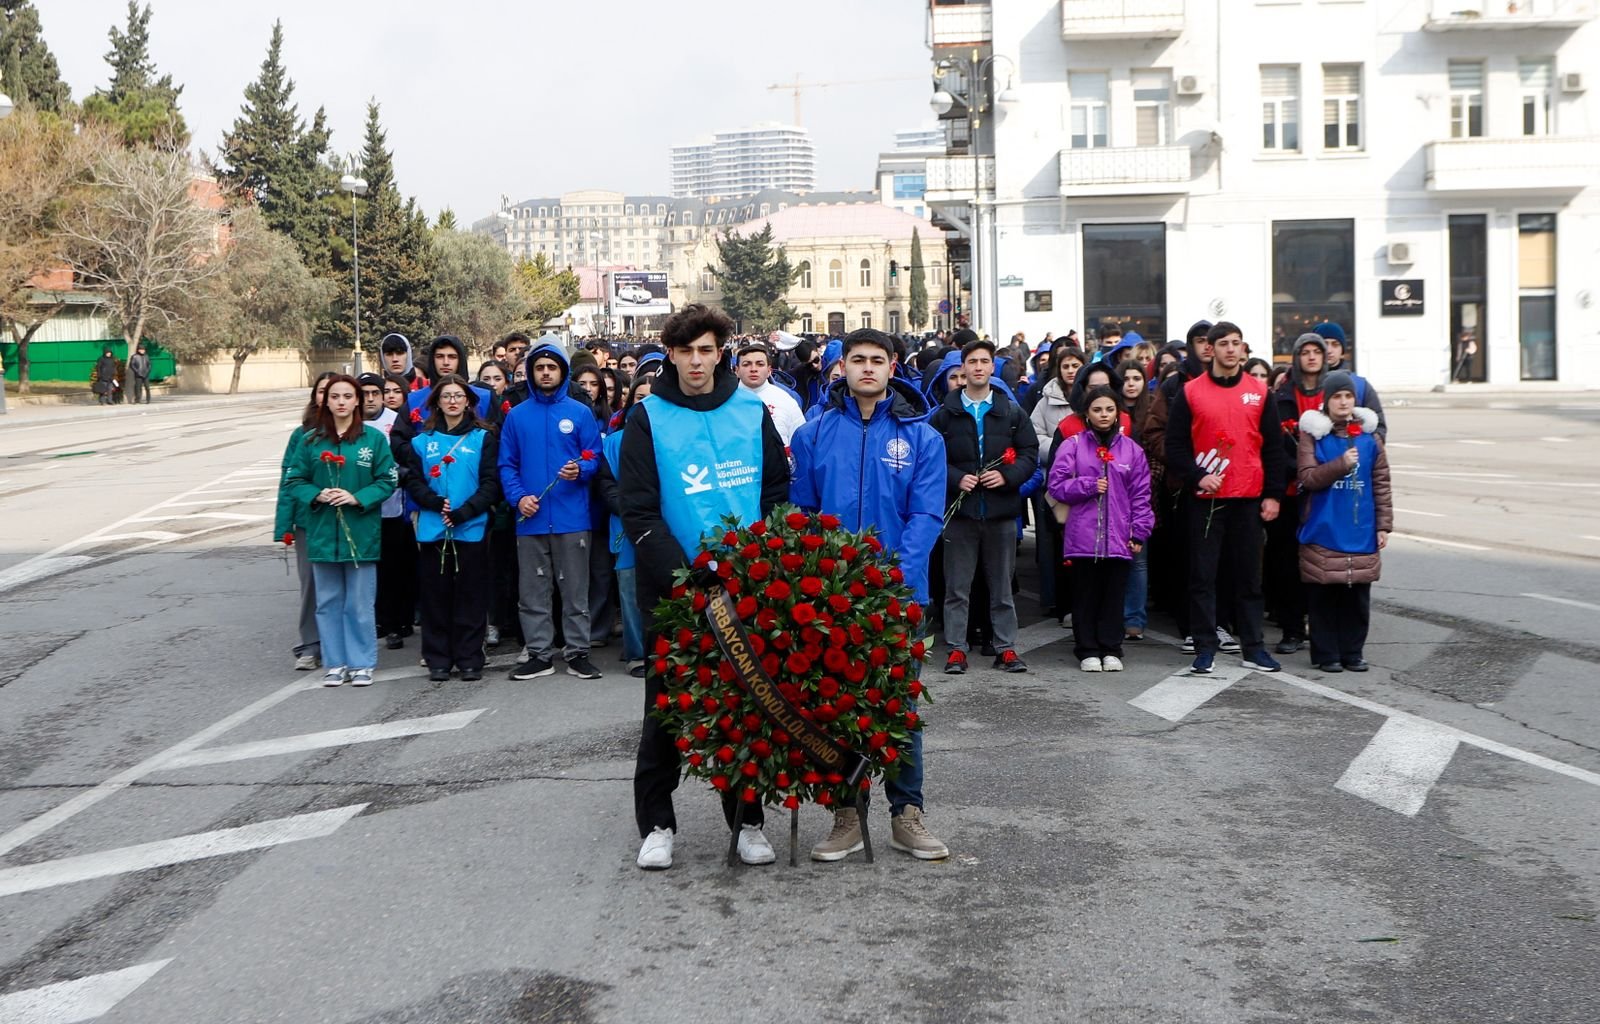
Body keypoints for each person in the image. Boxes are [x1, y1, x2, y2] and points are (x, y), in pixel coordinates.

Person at [621, 303, 789, 871]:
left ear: (722, 353)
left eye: (707, 350)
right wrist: (687, 572)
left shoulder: (751, 409)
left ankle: (747, 823)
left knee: (740, 707)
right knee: (666, 709)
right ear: (670, 353)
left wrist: (759, 562)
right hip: (675, 588)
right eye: (686, 350)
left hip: (744, 585)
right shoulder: (647, 418)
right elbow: (639, 510)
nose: (697, 361)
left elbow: (773, 494)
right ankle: (658, 824)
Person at [790, 328, 949, 863]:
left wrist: (894, 578)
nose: (866, 369)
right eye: (856, 360)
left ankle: (907, 814)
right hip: (833, 594)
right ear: (842, 367)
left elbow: (926, 515)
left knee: (900, 707)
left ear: (892, 366)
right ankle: (845, 814)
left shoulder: (924, 438)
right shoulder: (815, 434)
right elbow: (804, 516)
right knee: (837, 707)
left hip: (899, 592)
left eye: (877, 360)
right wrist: (829, 576)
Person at [1164, 322, 1288, 675]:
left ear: (1242, 349)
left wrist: (1274, 495)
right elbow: (1174, 446)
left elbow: (1274, 449)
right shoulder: (1191, 393)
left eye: (1236, 343)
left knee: (1248, 578)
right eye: (1223, 344)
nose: (1230, 349)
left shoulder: (1259, 392)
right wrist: (1198, 476)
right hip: (1206, 500)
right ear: (1211, 349)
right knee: (1202, 577)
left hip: (1248, 498)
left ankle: (1253, 648)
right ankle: (1204, 647)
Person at [929, 338, 1040, 674]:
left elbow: (1029, 455)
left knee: (1002, 587)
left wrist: (1006, 477)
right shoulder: (945, 415)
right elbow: (931, 459)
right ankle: (957, 649)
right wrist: (955, 478)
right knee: (957, 588)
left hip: (1000, 513)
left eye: (984, 362)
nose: (978, 367)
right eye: (972, 362)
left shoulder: (1011, 411)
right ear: (962, 368)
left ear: (993, 368)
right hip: (960, 515)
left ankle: (1005, 648)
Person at [498, 342, 604, 681]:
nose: (545, 372)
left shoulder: (579, 413)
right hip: (530, 518)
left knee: (575, 590)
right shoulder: (516, 416)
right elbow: (506, 465)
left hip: (572, 517)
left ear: (563, 372)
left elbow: (594, 456)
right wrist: (519, 498)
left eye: (552, 367)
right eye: (539, 367)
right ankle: (540, 654)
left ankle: (578, 653)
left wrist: (581, 471)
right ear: (531, 372)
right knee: (533, 592)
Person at [283, 374, 397, 687]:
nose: (342, 402)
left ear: (357, 400)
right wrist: (317, 494)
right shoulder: (311, 441)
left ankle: (361, 663)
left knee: (359, 602)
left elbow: (388, 479)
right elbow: (293, 480)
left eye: (348, 396)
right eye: (335, 397)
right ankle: (335, 662)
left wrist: (357, 497)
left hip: (360, 531)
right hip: (322, 532)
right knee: (328, 601)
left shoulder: (372, 440)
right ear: (326, 401)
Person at [395, 375, 501, 682]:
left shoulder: (484, 438)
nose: (452, 401)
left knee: (471, 596)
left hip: (471, 528)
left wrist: (466, 511)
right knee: (435, 597)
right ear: (436, 403)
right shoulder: (420, 442)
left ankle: (470, 658)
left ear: (468, 401)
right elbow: (412, 480)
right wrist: (432, 500)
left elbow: (491, 483)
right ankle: (438, 658)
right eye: (446, 396)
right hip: (433, 528)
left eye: (458, 396)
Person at [1048, 386, 1153, 672]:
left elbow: (1141, 496)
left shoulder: (1132, 450)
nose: (1103, 415)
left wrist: (1139, 531)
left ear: (1117, 412)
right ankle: (1087, 649)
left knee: (1113, 595)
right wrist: (1088, 485)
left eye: (1109, 409)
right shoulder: (1072, 445)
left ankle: (1111, 647)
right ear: (1086, 414)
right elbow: (1056, 486)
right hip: (1083, 536)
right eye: (1097, 409)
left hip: (1119, 536)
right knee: (1085, 595)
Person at [1296, 372, 1392, 672]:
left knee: (1357, 597)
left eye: (1348, 396)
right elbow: (1308, 478)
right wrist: (1340, 465)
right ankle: (1326, 654)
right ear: (1326, 401)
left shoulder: (1370, 439)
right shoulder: (1312, 436)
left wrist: (1383, 525)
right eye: (1337, 396)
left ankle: (1353, 652)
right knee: (1324, 596)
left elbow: (1381, 484)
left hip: (1361, 528)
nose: (1343, 402)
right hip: (1324, 526)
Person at [1266, 334, 1330, 656]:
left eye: (1316, 351)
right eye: (1304, 352)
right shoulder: (1281, 397)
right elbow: (1273, 447)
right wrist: (1299, 470)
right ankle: (1291, 629)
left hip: (1327, 492)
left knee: (1322, 563)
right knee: (1287, 564)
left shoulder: (1335, 394)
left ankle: (1320, 629)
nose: (1311, 357)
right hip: (1290, 491)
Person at [275, 372, 335, 671]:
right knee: (311, 583)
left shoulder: (357, 434)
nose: (329, 398)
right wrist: (284, 526)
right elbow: (290, 480)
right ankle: (311, 644)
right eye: (323, 392)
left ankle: (338, 643)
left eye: (335, 391)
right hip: (308, 520)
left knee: (343, 584)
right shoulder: (302, 436)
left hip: (344, 519)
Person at [596, 374, 656, 678]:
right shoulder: (614, 441)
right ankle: (637, 653)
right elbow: (606, 483)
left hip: (665, 527)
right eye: (639, 397)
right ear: (630, 401)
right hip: (625, 527)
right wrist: (629, 510)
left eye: (651, 396)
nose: (645, 402)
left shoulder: (671, 437)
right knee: (630, 593)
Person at [375, 374, 416, 650]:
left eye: (394, 391)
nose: (388, 395)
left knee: (401, 567)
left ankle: (403, 618)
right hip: (370, 509)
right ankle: (382, 620)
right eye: (383, 390)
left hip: (400, 505)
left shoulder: (397, 421)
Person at [1311, 322, 1387, 440]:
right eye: (1324, 344)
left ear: (1342, 350)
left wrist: (1366, 449)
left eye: (1335, 345)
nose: (1329, 350)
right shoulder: (1307, 384)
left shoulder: (1361, 385)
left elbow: (1379, 427)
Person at [735, 341, 807, 444]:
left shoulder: (786, 400)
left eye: (760, 364)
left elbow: (801, 442)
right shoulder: (725, 401)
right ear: (737, 370)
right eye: (747, 364)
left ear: (769, 370)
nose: (753, 369)